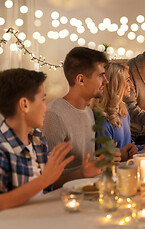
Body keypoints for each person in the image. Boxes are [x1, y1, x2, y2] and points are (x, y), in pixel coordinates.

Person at [42, 47, 120, 188]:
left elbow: (82, 165)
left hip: (89, 193)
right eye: (100, 75)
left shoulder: (88, 112)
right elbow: (47, 180)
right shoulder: (54, 114)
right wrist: (82, 173)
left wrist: (103, 160)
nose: (106, 81)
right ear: (81, 80)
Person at [0, 68, 74, 210]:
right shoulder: (3, 147)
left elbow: (46, 189)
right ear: (25, 105)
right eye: (43, 100)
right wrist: (44, 180)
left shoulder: (38, 139)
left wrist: (83, 173)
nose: (46, 107)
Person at [90, 62, 145, 161]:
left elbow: (127, 148)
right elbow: (106, 161)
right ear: (115, 83)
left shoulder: (123, 111)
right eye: (127, 80)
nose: (131, 84)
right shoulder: (101, 120)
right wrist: (143, 152)